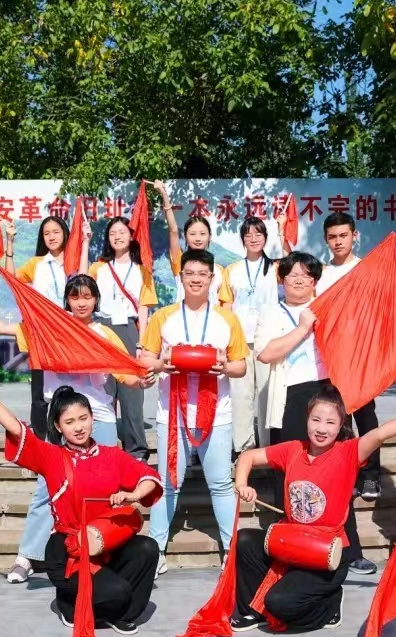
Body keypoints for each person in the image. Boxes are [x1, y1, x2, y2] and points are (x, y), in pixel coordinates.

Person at [0, 274, 155, 585]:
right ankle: (27, 555)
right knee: (46, 489)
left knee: (105, 489)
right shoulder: (49, 327)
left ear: (96, 299)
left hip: (98, 418)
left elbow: (126, 375)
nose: (82, 302)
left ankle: (105, 552)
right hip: (62, 420)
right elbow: (2, 328)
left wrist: (142, 380)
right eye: (75, 296)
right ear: (67, 299)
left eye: (88, 296)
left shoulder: (104, 333)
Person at [230, 385, 396, 632]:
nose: (322, 429)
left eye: (330, 423)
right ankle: (252, 611)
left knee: (279, 603)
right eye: (316, 420)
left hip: (327, 554)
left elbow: (380, 434)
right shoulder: (292, 449)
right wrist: (242, 484)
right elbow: (248, 457)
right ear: (307, 420)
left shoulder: (348, 452)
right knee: (245, 539)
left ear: (340, 426)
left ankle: (329, 605)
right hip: (293, 545)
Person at [257, 249, 396, 577]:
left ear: (315, 281)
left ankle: (349, 552)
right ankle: (289, 549)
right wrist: (303, 329)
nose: (299, 280)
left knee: (339, 472)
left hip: (329, 393)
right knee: (290, 475)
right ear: (282, 280)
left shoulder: (328, 304)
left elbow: (368, 292)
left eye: (306, 275)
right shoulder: (271, 313)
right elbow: (265, 353)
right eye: (292, 275)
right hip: (289, 398)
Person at [0, 378, 163, 634]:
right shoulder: (52, 457)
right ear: (58, 426)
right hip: (68, 549)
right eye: (69, 422)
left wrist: (134, 494)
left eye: (83, 418)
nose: (78, 427)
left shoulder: (112, 455)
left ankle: (122, 614)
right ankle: (69, 605)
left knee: (147, 548)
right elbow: (17, 429)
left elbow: (149, 477)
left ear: (92, 418)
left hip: (107, 541)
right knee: (118, 591)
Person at [139, 249, 248, 577]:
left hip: (217, 415)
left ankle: (232, 551)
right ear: (181, 277)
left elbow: (241, 365)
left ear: (212, 279)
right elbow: (145, 358)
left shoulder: (226, 319)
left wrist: (224, 367)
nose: (196, 279)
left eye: (203, 274)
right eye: (190, 274)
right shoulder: (163, 317)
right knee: (168, 484)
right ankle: (154, 551)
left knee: (221, 484)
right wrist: (162, 364)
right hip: (171, 414)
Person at [315, 212, 381, 505]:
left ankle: (371, 475)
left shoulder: (367, 269)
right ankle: (346, 475)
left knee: (366, 418)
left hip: (362, 357)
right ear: (326, 239)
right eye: (332, 237)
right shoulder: (322, 275)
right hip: (332, 357)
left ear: (355, 236)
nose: (338, 241)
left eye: (343, 235)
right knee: (338, 420)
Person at [7, 215, 89, 438]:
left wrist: (85, 242)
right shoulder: (37, 264)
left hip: (69, 333)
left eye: (55, 231)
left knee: (72, 389)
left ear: (65, 233)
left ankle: (72, 439)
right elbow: (12, 279)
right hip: (42, 334)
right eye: (46, 233)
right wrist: (10, 243)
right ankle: (42, 442)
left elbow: (83, 281)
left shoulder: (73, 262)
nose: (51, 237)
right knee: (40, 392)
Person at [86, 216, 159, 461]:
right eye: (112, 233)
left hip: (129, 329)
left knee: (132, 394)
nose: (117, 236)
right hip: (102, 329)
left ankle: (136, 451)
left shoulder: (142, 270)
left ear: (131, 236)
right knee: (102, 389)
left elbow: (144, 309)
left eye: (122, 232)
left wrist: (142, 343)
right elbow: (82, 284)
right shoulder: (98, 268)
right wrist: (85, 243)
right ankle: (101, 448)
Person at [224, 217, 279, 454]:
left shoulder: (275, 268)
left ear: (266, 238)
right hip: (240, 341)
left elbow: (295, 268)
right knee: (241, 396)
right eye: (248, 235)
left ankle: (268, 448)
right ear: (242, 239)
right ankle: (243, 447)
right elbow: (226, 305)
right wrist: (227, 339)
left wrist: (283, 230)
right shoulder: (232, 270)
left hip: (268, 340)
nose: (253, 239)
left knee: (268, 395)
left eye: (258, 234)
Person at [154, 180, 234, 308]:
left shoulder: (219, 270)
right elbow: (173, 231)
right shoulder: (180, 261)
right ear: (186, 237)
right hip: (183, 317)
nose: (197, 238)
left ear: (209, 237)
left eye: (202, 234)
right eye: (192, 234)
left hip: (210, 318)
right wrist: (164, 194)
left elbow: (224, 303)